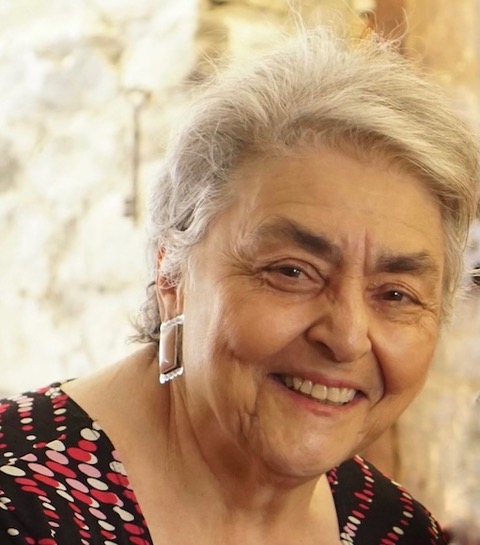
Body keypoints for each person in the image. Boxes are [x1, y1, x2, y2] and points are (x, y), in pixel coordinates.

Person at [0, 26, 478, 545]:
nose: (346, 339)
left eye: (395, 294)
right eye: (292, 272)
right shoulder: (17, 499)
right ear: (171, 273)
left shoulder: (394, 530)